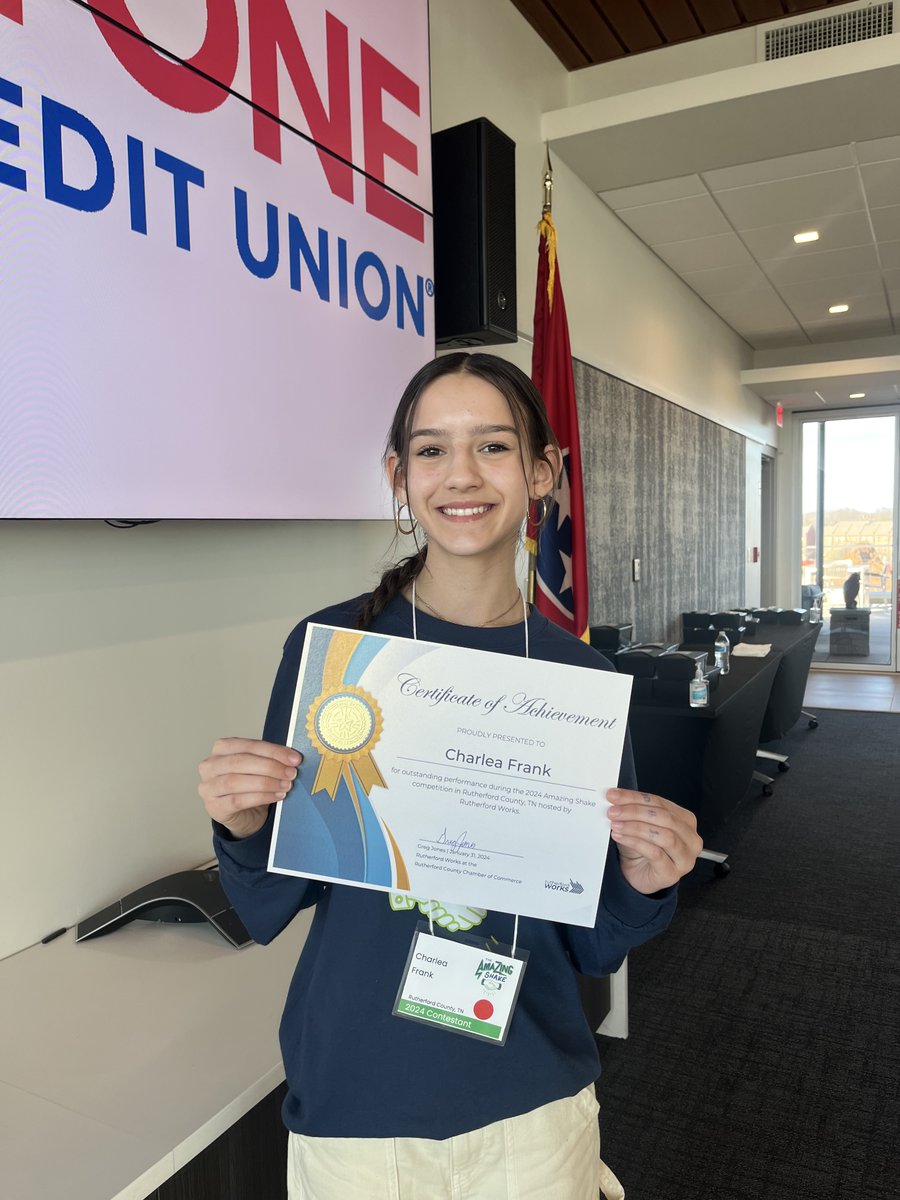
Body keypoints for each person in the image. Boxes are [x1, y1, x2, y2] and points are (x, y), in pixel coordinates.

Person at [199, 351, 702, 1199]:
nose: (460, 475)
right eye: (431, 450)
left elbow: (593, 940)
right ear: (398, 475)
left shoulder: (581, 678)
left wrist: (645, 883)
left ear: (543, 472)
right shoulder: (336, 657)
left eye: (494, 447)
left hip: (531, 1103)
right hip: (359, 1102)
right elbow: (265, 906)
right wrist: (241, 825)